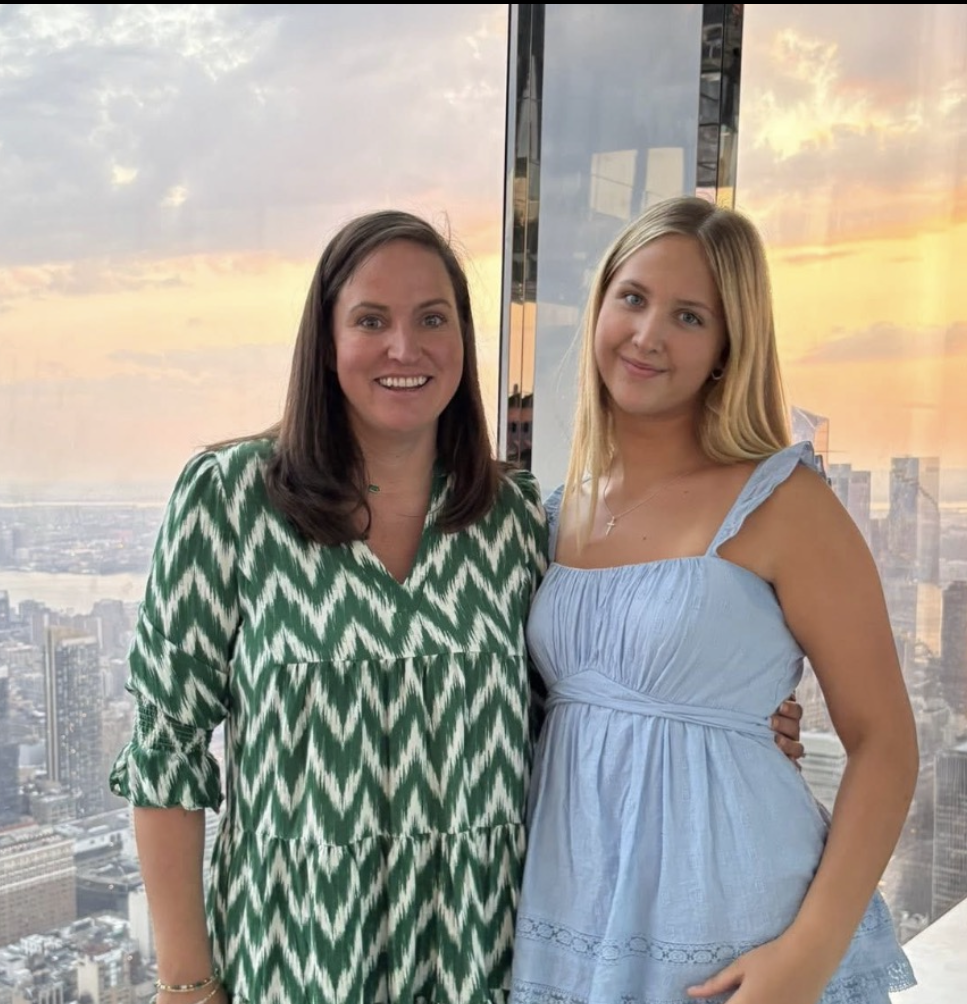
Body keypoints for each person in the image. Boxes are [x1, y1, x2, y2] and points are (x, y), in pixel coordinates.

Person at [109, 208, 806, 1004]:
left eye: (432, 319)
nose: (404, 348)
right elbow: (168, 751)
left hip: (490, 962)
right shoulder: (231, 500)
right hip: (293, 962)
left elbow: (575, 715)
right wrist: (187, 982)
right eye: (371, 319)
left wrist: (742, 719)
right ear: (326, 340)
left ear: (463, 342)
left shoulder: (512, 519)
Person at [509, 197, 919, 1004]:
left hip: (736, 927)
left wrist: (806, 956)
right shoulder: (556, 512)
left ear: (729, 348)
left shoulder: (783, 502)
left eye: (689, 316)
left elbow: (885, 741)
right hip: (570, 920)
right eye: (632, 298)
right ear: (599, 307)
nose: (648, 334)